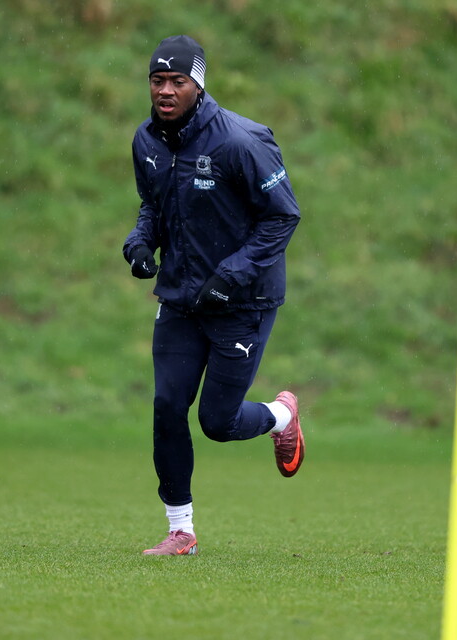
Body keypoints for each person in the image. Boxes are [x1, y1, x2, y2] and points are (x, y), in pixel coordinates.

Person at [123, 35, 304, 556]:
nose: (165, 90)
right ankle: (181, 530)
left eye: (177, 81)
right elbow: (153, 207)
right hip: (182, 299)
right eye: (158, 81)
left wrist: (233, 273)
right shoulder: (146, 141)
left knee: (217, 423)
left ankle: (283, 417)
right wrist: (139, 243)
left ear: (198, 85)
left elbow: (282, 216)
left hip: (242, 302)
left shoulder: (240, 142)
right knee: (166, 406)